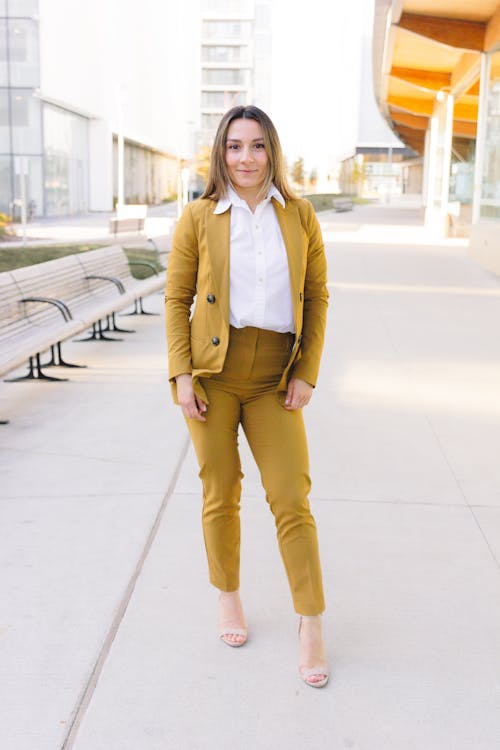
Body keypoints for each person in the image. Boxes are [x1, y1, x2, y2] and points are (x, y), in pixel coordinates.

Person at [165, 105, 329, 688]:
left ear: (272, 151)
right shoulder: (199, 216)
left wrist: (306, 369)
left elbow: (318, 294)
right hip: (212, 373)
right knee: (221, 490)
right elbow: (176, 298)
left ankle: (310, 623)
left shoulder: (301, 216)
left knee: (290, 495)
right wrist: (181, 374)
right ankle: (228, 595)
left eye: (257, 146)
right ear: (221, 153)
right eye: (235, 147)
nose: (246, 158)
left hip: (273, 378)